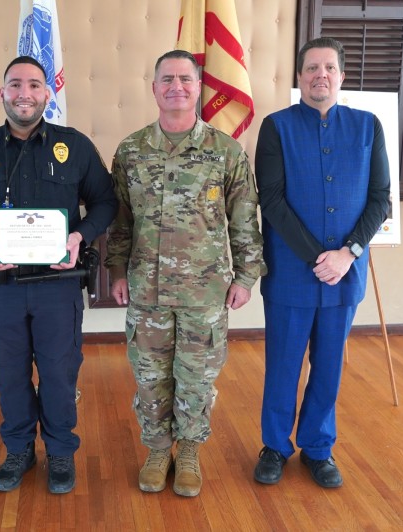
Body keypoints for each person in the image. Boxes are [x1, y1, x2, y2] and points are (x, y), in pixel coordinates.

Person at [0, 56, 117, 494]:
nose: (25, 93)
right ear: (2, 93)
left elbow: (105, 203)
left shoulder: (74, 146)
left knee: (59, 372)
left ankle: (60, 453)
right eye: (15, 84)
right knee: (8, 372)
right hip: (1, 289)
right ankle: (19, 449)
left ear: (47, 93)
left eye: (34, 85)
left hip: (57, 287)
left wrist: (80, 236)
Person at [105, 50, 266, 497]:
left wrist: (246, 276)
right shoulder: (132, 151)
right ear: (154, 88)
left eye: (185, 79)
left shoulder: (226, 151)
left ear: (198, 88)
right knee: (151, 378)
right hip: (146, 291)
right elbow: (120, 220)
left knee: (196, 378)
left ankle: (190, 451)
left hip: (206, 292)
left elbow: (244, 220)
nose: (176, 86)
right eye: (167, 79)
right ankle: (158, 451)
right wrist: (116, 269)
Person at [253, 37, 391, 488]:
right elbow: (271, 200)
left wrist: (347, 254)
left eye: (329, 68)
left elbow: (379, 199)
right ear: (299, 77)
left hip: (344, 276)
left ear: (342, 76)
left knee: (329, 367)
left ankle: (318, 447)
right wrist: (320, 257)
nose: (320, 75)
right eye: (311, 68)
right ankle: (274, 446)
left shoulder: (368, 127)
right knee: (284, 366)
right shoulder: (276, 127)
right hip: (293, 273)